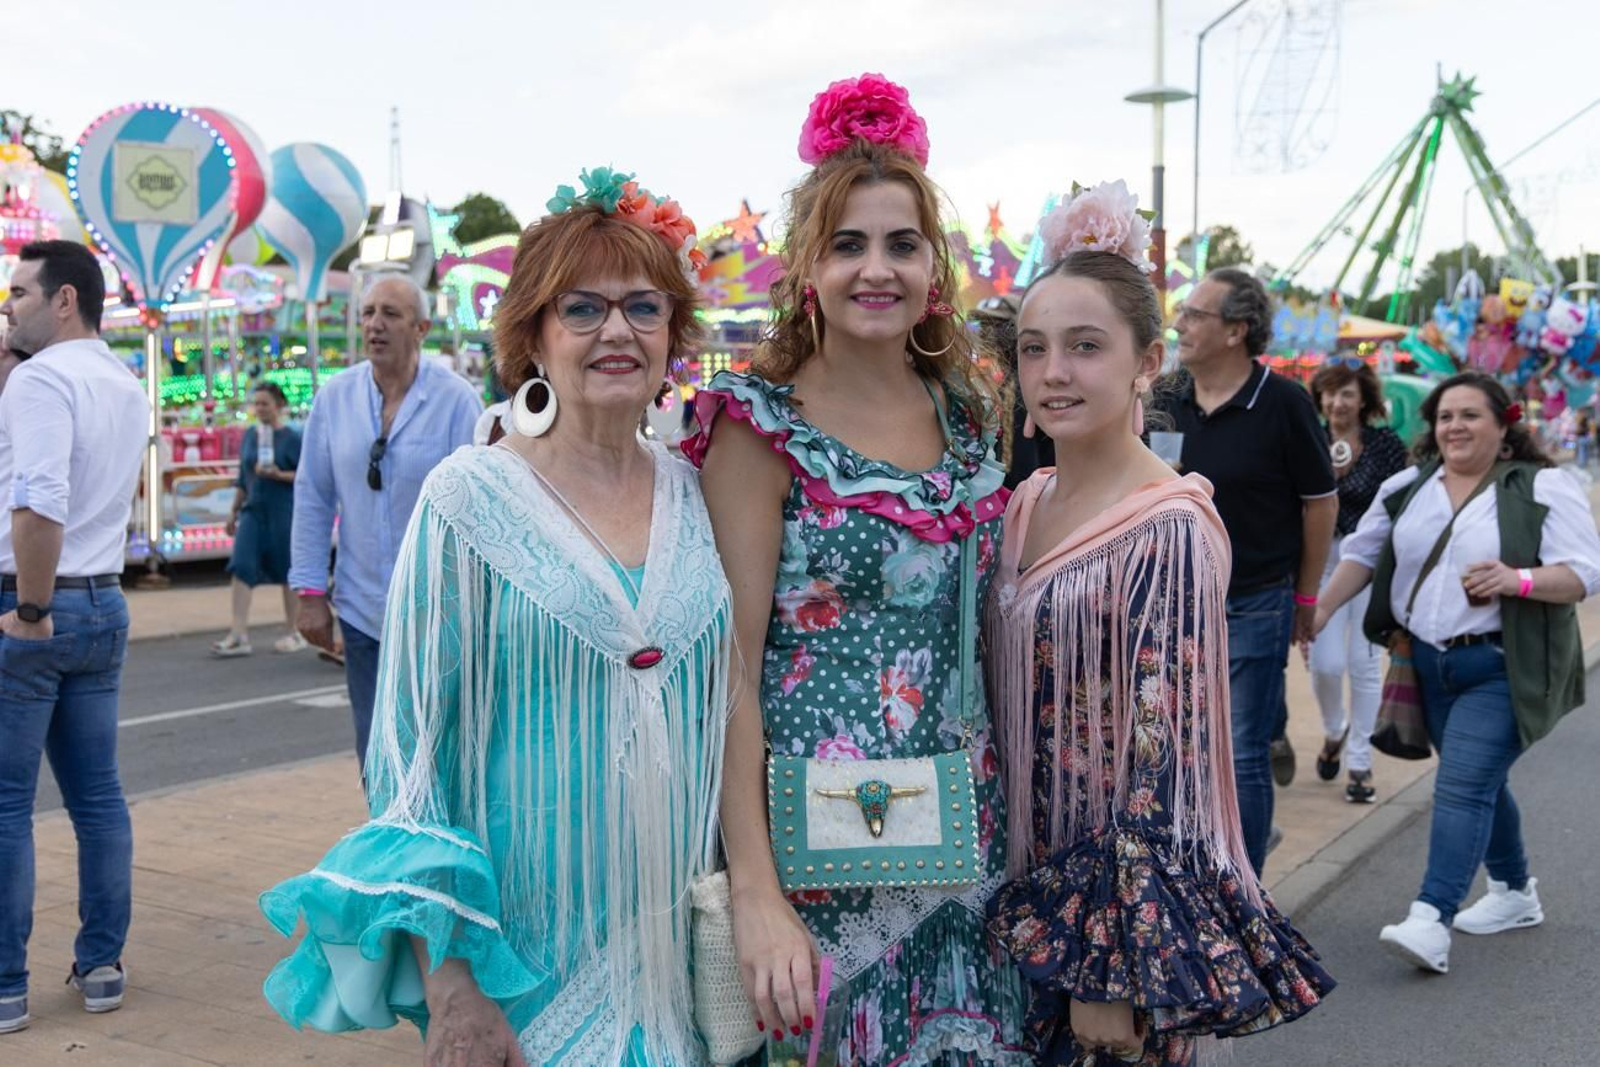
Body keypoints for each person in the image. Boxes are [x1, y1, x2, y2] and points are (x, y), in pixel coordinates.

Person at [261, 172, 732, 1064]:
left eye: (644, 306)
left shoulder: (700, 493)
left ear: (674, 334)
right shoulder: (468, 498)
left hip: (675, 974)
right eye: (583, 307)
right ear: (534, 334)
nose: (617, 330)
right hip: (521, 971)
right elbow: (410, 760)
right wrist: (454, 990)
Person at [687, 75, 1028, 1063]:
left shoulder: (970, 413)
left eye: (900, 243)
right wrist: (753, 889)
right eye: (848, 244)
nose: (875, 269)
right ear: (807, 267)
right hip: (812, 864)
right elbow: (730, 671)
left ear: (934, 269)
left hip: (965, 847)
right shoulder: (757, 427)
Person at [985, 194, 1334, 1065]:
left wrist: (1113, 967)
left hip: (1101, 925)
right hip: (1014, 896)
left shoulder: (1167, 525)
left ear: (1146, 362)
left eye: (1085, 345)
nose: (1054, 371)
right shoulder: (1025, 504)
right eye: (1035, 349)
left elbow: (1163, 765)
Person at [1315, 370, 1600, 974]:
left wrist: (1516, 579)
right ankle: (1515, 892)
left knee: (1463, 784)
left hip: (1503, 665)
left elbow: (1584, 572)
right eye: (1446, 416)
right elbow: (1363, 555)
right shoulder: (1407, 486)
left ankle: (1431, 917)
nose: (1455, 427)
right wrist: (1313, 616)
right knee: (1481, 783)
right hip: (1425, 663)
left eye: (1470, 415)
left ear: (1504, 426)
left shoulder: (1543, 485)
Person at [0, 241, 150, 1034]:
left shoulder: (41, 378)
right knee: (98, 798)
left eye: (19, 292)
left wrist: (27, 610)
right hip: (104, 600)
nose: (10, 306)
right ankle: (101, 964)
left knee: (6, 805)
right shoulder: (124, 382)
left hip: (41, 601)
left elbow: (40, 500)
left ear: (64, 300)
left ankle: (5, 984)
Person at [1153, 269, 1338, 873]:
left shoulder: (1282, 402)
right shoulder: (1164, 399)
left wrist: (1305, 597)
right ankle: (1197, 871)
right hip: (1168, 602)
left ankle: (1247, 894)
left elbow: (1320, 503)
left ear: (1236, 330)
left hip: (1255, 600)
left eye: (1195, 313)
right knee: (1175, 750)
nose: (1179, 321)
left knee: (1240, 754)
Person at [289, 274, 481, 771]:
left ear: (421, 328)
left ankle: (441, 847)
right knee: (377, 754)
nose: (375, 324)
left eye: (390, 314)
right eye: (368, 313)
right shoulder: (335, 398)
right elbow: (312, 494)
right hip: (363, 609)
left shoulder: (457, 401)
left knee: (440, 755)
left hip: (440, 613)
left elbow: (478, 509)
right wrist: (309, 591)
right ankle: (390, 844)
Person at [1306, 359, 1408, 802]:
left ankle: (1360, 763)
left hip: (1369, 564)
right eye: (1330, 393)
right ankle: (1335, 730)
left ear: (1364, 398)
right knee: (1325, 663)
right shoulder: (1309, 438)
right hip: (1321, 560)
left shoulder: (1384, 444)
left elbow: (1397, 503)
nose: (1337, 402)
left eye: (1346, 393)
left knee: (1364, 664)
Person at [213, 382, 304, 657]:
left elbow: (306, 476)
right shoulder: (251, 435)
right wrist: (233, 511)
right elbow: (244, 477)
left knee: (287, 569)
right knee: (242, 565)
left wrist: (280, 475)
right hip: (253, 508)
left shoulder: (292, 438)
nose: (260, 408)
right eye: (257, 403)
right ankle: (238, 633)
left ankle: (294, 630)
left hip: (282, 508)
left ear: (279, 406)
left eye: (265, 403)